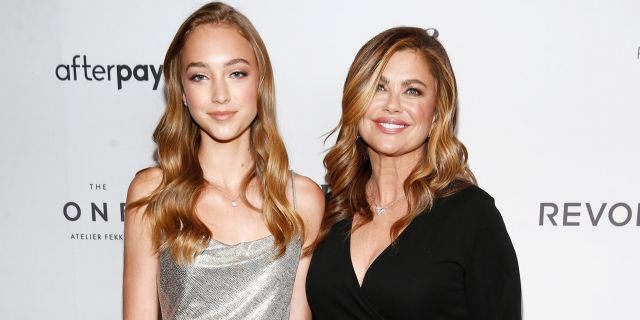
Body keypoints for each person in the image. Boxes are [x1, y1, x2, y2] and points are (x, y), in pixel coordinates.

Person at [123, 2, 324, 320]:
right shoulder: (152, 194)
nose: (220, 94)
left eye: (236, 73)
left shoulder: (302, 200)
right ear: (183, 92)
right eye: (200, 76)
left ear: (260, 83)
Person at [306, 27, 521, 319]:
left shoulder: (472, 217)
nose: (392, 105)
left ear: (436, 115)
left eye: (412, 91)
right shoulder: (326, 210)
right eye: (379, 87)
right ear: (355, 103)